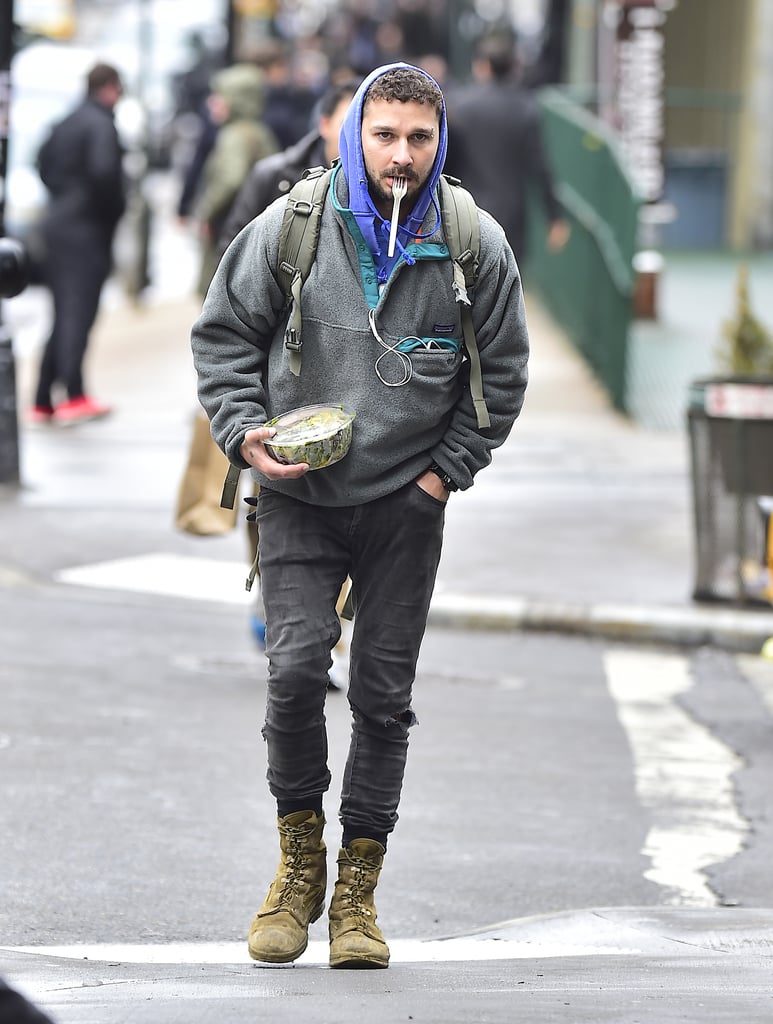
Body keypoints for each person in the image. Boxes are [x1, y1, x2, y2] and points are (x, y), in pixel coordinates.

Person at [190, 63, 529, 970]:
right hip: (298, 495)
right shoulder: (292, 226)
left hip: (404, 506)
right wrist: (242, 430)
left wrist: (442, 475)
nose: (401, 155)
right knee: (295, 671)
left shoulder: (472, 242)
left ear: (438, 141)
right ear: (354, 135)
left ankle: (356, 897)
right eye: (385, 135)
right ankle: (298, 868)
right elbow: (221, 336)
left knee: (382, 701)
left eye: (419, 138)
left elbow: (502, 374)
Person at [29, 63, 126, 426]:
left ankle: (42, 399)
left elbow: (41, 163)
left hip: (56, 224)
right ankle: (74, 394)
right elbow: (105, 175)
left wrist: (63, 194)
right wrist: (109, 211)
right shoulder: (101, 124)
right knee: (79, 312)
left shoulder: (66, 121)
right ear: (112, 87)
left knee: (61, 311)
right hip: (86, 230)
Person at [445, 35, 569, 269]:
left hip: (466, 212)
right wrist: (555, 216)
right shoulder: (525, 109)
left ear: (482, 66)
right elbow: (539, 166)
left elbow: (447, 162)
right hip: (512, 217)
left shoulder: (460, 108)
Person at [193, 63, 278, 297]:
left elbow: (231, 178)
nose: (212, 103)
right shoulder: (260, 132)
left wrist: (206, 211)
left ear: (236, 100)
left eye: (219, 96)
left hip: (229, 229)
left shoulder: (233, 136)